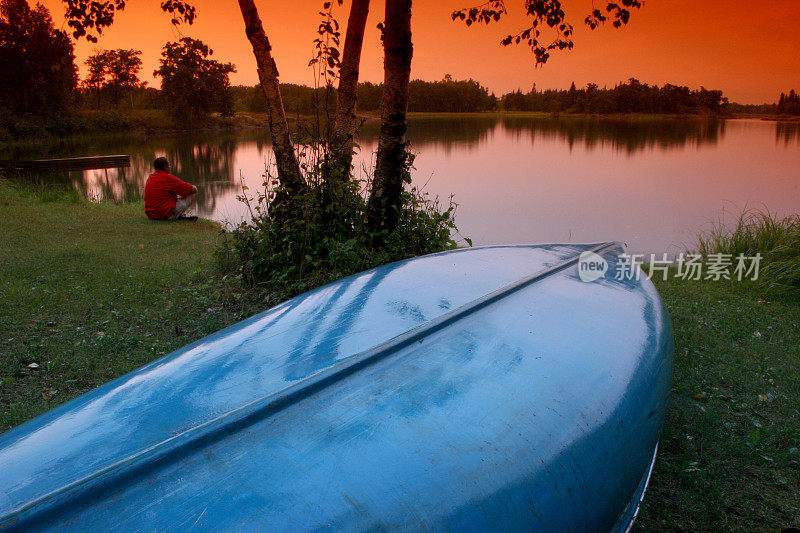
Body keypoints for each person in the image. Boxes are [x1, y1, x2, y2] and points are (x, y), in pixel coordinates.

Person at [144, 156, 198, 221]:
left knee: (176, 194)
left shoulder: (151, 178)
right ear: (165, 167)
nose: (170, 167)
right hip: (163, 215)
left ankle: (177, 215)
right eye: (169, 165)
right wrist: (193, 188)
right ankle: (174, 216)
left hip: (151, 215)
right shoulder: (168, 178)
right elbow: (192, 189)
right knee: (190, 194)